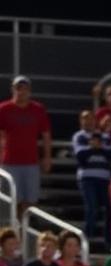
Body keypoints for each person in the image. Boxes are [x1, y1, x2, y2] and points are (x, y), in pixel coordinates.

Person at [0, 76, 52, 217]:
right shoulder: (4, 109)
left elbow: (46, 134)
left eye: (24, 89)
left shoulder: (38, 109)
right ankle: (13, 234)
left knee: (30, 202)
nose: (21, 92)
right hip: (9, 163)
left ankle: (25, 232)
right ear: (12, 90)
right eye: (18, 88)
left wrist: (47, 157)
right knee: (11, 201)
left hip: (31, 163)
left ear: (29, 91)